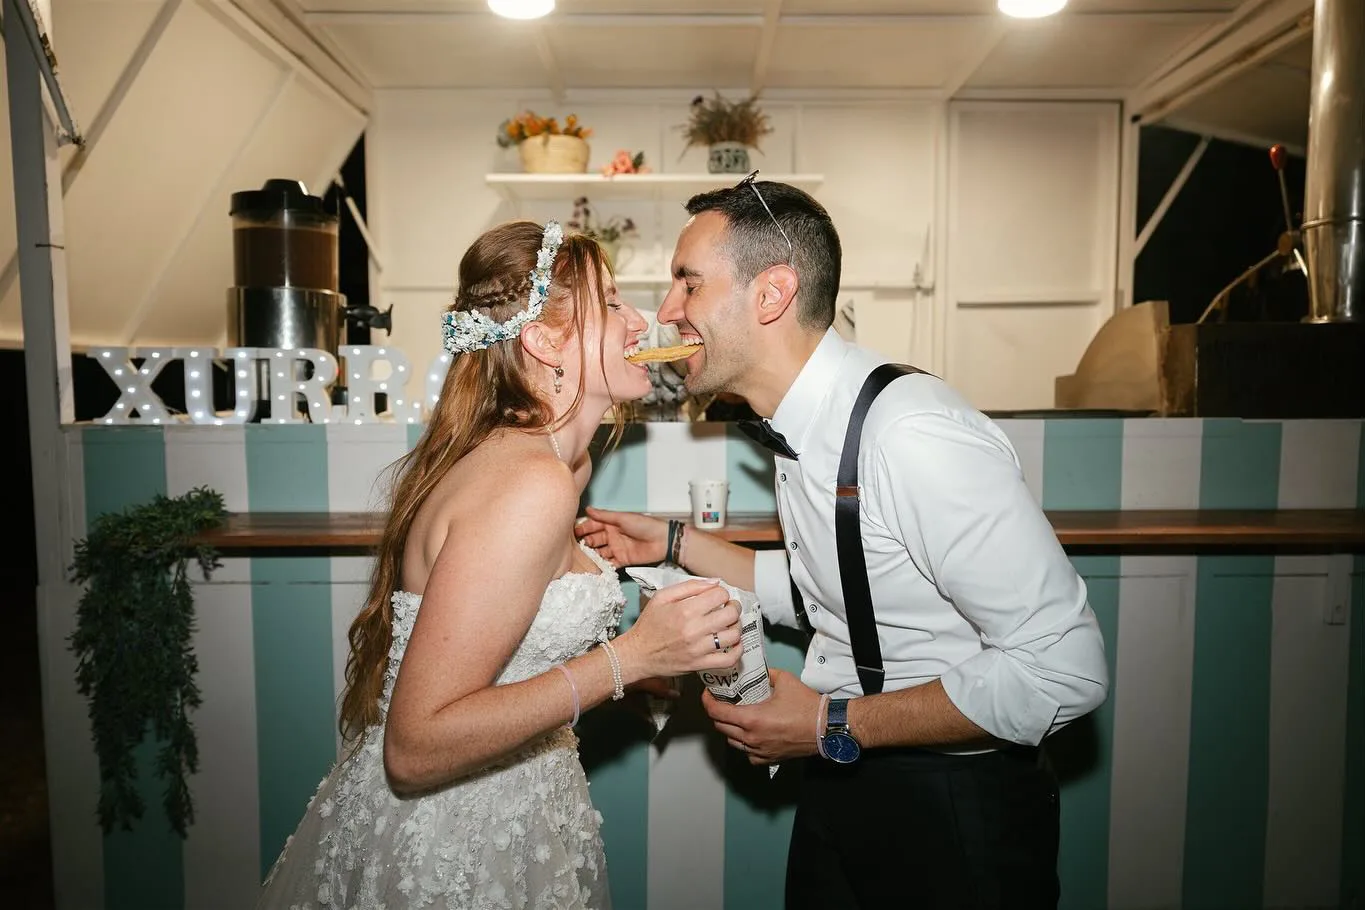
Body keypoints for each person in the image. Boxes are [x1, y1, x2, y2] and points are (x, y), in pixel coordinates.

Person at [575, 175, 1110, 909]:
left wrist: (827, 721)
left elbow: (1065, 670)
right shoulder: (807, 423)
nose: (664, 313)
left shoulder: (909, 435)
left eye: (686, 285)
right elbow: (836, 589)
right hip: (844, 772)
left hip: (954, 804)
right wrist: (670, 543)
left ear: (770, 294)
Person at [257, 220, 744, 909]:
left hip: (510, 815)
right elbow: (416, 746)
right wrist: (629, 659)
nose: (638, 319)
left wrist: (624, 679)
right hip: (456, 842)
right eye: (610, 303)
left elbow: (495, 652)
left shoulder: (555, 466)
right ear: (545, 339)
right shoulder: (532, 483)